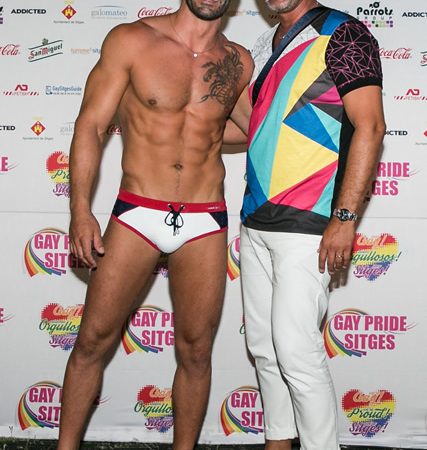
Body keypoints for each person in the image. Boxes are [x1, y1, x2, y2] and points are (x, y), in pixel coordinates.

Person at [57, 1, 253, 448]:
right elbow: (91, 125)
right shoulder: (132, 40)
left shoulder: (237, 61)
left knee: (196, 352)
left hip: (205, 217)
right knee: (92, 341)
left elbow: (255, 128)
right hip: (138, 211)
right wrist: (80, 210)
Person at [227, 0, 385, 449]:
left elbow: (370, 126)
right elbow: (257, 124)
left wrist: (345, 218)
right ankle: (277, 442)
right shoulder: (265, 43)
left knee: (296, 351)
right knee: (264, 348)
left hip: (309, 221)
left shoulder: (343, 33)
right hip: (255, 219)